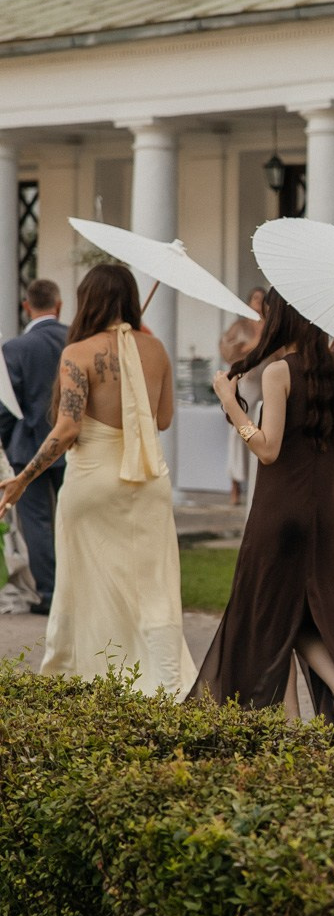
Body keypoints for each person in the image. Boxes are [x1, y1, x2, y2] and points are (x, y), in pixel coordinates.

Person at [193, 289, 334, 744]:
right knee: (297, 617)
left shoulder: (280, 371)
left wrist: (230, 403)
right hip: (328, 506)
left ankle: (288, 724)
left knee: (269, 614)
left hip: (282, 509)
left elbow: (267, 448)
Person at [0, 264, 195, 695]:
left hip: (93, 481)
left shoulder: (79, 352)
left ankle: (88, 681)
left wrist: (23, 479)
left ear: (88, 300)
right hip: (147, 482)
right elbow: (161, 420)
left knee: (85, 585)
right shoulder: (157, 349)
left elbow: (67, 429)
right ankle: (161, 682)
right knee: (152, 585)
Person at [0, 278, 67, 615]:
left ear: (27, 306)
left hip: (29, 447)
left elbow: (7, 406)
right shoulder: (78, 340)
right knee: (72, 520)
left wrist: (5, 442)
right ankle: (76, 589)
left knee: (38, 522)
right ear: (59, 305)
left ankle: (49, 592)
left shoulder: (16, 349)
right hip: (74, 445)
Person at [219, 286, 266, 505]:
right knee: (238, 429)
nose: (258, 303)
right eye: (255, 299)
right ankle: (235, 484)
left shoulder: (271, 328)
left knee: (261, 428)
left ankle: (258, 482)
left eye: (261, 300)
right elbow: (228, 351)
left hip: (265, 383)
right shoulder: (240, 326)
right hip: (245, 382)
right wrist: (252, 344)